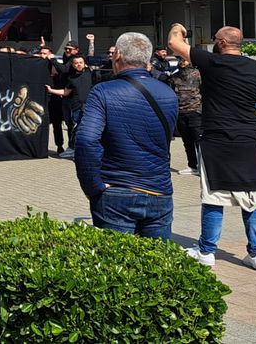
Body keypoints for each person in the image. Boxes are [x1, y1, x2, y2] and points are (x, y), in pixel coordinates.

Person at [168, 23, 256, 271]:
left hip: (216, 138)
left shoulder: (211, 62)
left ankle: (206, 251)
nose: (213, 42)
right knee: (254, 197)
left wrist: (177, 26)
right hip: (247, 138)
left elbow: (174, 43)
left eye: (215, 39)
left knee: (214, 197)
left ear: (223, 43)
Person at [74, 32, 178, 240]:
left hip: (116, 190)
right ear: (147, 59)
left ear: (118, 55)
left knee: (116, 266)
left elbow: (86, 140)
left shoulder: (102, 92)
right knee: (158, 266)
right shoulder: (168, 93)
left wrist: (92, 186)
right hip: (160, 190)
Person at [46, 54, 95, 160]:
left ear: (84, 63)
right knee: (76, 130)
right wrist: (51, 90)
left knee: (87, 130)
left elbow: (91, 55)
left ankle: (80, 151)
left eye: (80, 62)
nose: (78, 65)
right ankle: (74, 151)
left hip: (90, 107)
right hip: (77, 108)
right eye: (76, 63)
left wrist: (91, 42)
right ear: (72, 65)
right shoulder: (71, 79)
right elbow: (65, 92)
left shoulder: (89, 72)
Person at [168, 57, 203, 174]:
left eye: (184, 60)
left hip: (195, 110)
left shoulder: (197, 74)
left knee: (198, 140)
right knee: (187, 141)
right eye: (180, 60)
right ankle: (192, 165)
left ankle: (203, 167)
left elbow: (204, 90)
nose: (182, 62)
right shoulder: (175, 77)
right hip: (181, 112)